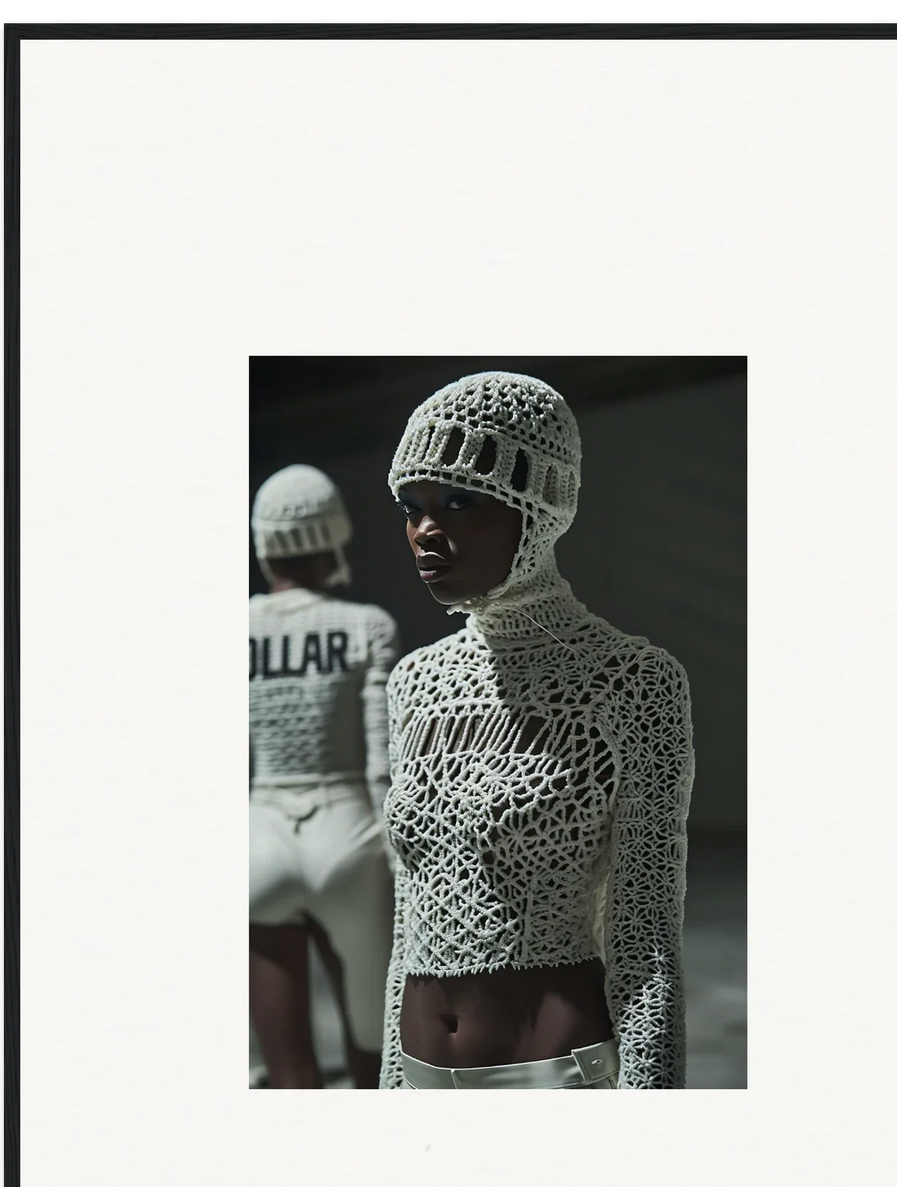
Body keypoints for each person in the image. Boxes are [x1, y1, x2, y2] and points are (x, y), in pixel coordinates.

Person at [380, 373, 695, 1090]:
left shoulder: (631, 679)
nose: (427, 529)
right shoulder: (413, 683)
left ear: (538, 509)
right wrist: (389, 1083)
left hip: (552, 1069)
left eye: (460, 500)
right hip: (420, 1066)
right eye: (412, 506)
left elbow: (644, 937)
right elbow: (409, 919)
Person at [249, 465, 399, 1089]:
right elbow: (381, 762)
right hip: (349, 836)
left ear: (264, 545)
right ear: (333, 535)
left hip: (259, 837)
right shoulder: (368, 625)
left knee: (288, 1078)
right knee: (375, 1056)